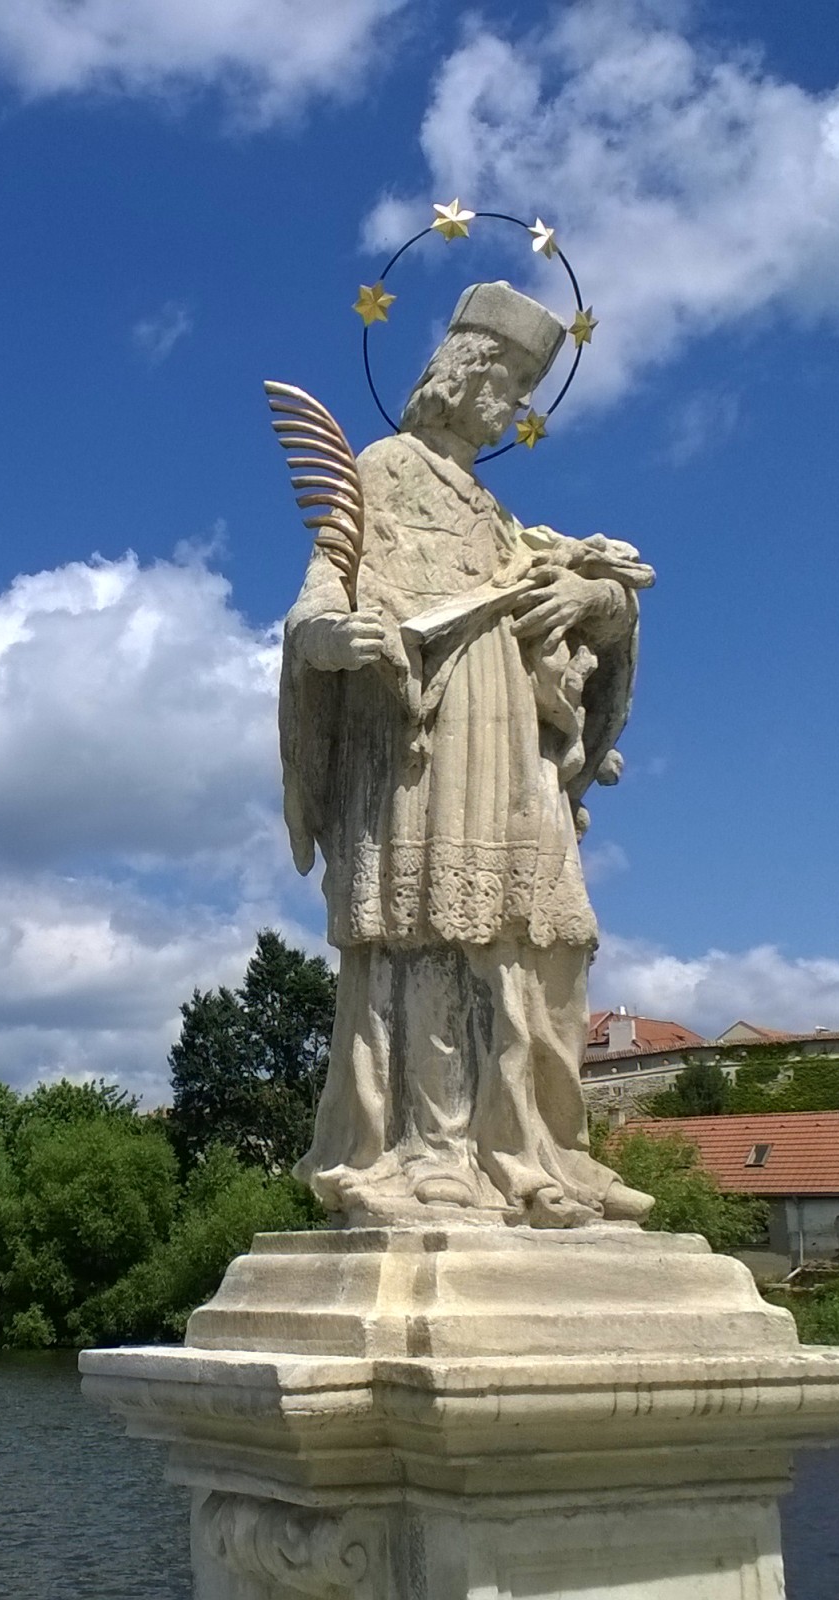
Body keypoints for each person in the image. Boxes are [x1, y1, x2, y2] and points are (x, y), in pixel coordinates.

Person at [281, 281, 655, 1227]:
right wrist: (331, 639)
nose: (514, 409)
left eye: (525, 391)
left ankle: (544, 1148)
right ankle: (432, 1148)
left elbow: (603, 600)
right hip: (418, 731)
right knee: (430, 935)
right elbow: (320, 593)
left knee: (545, 939)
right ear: (461, 372)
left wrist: (593, 599)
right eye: (507, 386)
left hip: (510, 731)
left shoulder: (497, 513)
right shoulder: (383, 470)